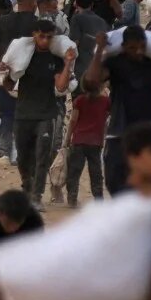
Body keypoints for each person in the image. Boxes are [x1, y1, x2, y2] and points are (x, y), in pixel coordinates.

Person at [87, 26, 151, 195]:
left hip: (145, 138)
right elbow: (91, 83)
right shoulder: (114, 64)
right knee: (114, 184)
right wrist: (99, 51)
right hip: (118, 135)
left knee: (145, 188)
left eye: (142, 47)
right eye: (133, 47)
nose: (139, 51)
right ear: (124, 46)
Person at [10, 20, 75, 207]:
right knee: (23, 158)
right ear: (34, 35)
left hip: (46, 114)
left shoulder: (54, 60)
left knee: (42, 155)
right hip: (22, 114)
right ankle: (27, 187)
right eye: (41, 36)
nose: (45, 41)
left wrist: (68, 63)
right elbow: (9, 82)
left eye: (49, 37)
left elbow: (61, 86)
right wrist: (4, 73)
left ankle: (37, 196)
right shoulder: (24, 57)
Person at [61, 73, 109, 207]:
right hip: (96, 142)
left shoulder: (80, 100)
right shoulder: (105, 101)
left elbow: (73, 121)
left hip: (79, 141)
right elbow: (109, 117)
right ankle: (99, 199)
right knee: (96, 172)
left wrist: (67, 139)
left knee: (74, 171)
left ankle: (72, 198)